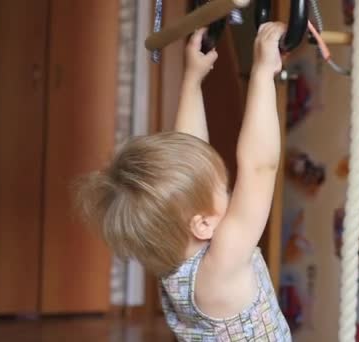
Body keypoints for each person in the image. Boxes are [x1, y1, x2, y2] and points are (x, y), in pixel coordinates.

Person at [77, 23, 291, 341]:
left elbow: (189, 151)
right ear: (201, 224)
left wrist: (193, 80)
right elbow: (259, 168)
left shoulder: (173, 266)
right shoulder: (222, 263)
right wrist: (262, 72)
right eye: (224, 190)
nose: (233, 195)